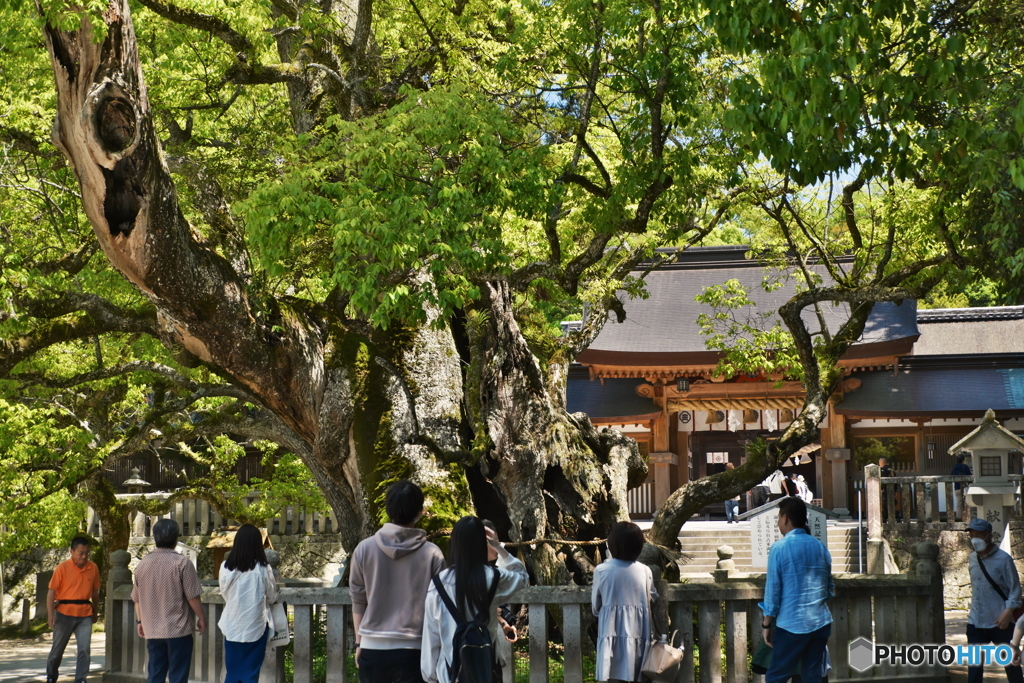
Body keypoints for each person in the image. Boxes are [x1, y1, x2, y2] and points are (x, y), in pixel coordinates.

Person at [351, 480, 446, 683]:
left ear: (388, 509)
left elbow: (358, 600)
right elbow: (441, 605)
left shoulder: (364, 549)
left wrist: (360, 643)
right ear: (420, 511)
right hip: (416, 647)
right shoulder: (432, 553)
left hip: (372, 645)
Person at [421, 516, 529, 683]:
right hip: (486, 670)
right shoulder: (494, 578)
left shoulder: (438, 583)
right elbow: (522, 577)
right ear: (482, 543)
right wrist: (497, 546)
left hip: (449, 674)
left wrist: (430, 676)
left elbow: (432, 635)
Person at [759, 497, 834, 683]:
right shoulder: (819, 547)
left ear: (785, 518)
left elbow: (773, 592)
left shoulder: (779, 548)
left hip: (792, 624)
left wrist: (766, 624)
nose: (778, 523)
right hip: (820, 622)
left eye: (778, 518)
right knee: (812, 676)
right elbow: (829, 588)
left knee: (776, 677)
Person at [132, 519, 206, 683]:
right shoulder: (182, 563)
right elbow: (192, 595)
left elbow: (137, 598)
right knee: (178, 676)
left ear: (155, 538)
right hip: (178, 629)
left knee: (155, 674)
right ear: (175, 538)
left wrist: (140, 621)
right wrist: (201, 617)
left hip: (152, 629)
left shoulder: (142, 565)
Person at [591, 521, 659, 683]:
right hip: (639, 632)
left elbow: (596, 606)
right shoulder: (644, 570)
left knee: (611, 675)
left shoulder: (602, 571)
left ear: (612, 544)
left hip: (611, 632)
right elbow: (653, 596)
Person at [965, 518, 1024, 683]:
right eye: (971, 535)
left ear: (989, 536)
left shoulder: (1004, 559)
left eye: (978, 534)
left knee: (1011, 664)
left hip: (1001, 622)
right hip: (976, 622)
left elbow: (1015, 590)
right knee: (974, 667)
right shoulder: (972, 559)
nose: (974, 538)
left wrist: (1008, 612)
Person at [219, 524, 278, 683]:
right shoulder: (263, 568)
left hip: (232, 624)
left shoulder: (225, 567)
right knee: (251, 673)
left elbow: (225, 594)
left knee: (232, 671)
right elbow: (272, 597)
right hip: (256, 626)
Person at [45, 536, 101, 683]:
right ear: (71, 551)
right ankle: (51, 675)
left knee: (84, 649)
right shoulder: (62, 568)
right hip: (64, 613)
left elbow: (95, 592)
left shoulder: (93, 567)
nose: (84, 556)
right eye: (80, 553)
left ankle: (81, 679)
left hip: (85, 613)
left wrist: (96, 610)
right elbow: (51, 592)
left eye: (87, 553)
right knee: (57, 650)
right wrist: (51, 615)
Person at [952, 453, 972, 522]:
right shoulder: (965, 466)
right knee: (967, 502)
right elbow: (970, 476)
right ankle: (967, 517)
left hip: (957, 487)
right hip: (965, 487)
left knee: (959, 502)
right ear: (963, 460)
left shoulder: (954, 467)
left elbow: (951, 475)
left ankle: (959, 517)